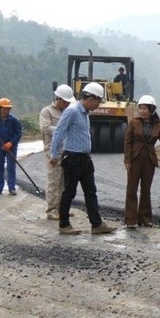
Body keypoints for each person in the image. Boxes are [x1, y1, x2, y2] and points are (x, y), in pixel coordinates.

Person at [49, 82, 117, 235]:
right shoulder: (72, 111)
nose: (98, 105)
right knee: (69, 193)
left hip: (85, 159)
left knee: (91, 192)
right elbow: (58, 132)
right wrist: (54, 155)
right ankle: (64, 224)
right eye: (99, 101)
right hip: (72, 159)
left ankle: (96, 224)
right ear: (91, 98)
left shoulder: (85, 113)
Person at [124, 95, 160, 228]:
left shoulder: (159, 126)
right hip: (135, 160)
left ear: (151, 109)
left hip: (149, 161)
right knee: (131, 190)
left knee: (146, 190)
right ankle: (130, 220)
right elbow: (127, 142)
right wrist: (127, 160)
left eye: (145, 108)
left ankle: (145, 218)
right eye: (141, 108)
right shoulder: (133, 122)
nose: (142, 111)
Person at [39, 84, 75, 220]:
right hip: (52, 150)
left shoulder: (69, 111)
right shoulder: (46, 112)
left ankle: (62, 208)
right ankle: (51, 210)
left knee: (64, 182)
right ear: (58, 98)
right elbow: (46, 128)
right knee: (54, 180)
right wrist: (62, 129)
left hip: (66, 150)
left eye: (68, 102)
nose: (66, 104)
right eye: (65, 101)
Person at [0, 98, 22, 195]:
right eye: (5, 109)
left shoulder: (14, 120)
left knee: (11, 167)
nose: (7, 111)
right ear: (0, 108)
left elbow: (18, 134)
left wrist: (11, 143)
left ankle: (11, 188)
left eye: (8, 109)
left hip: (11, 146)